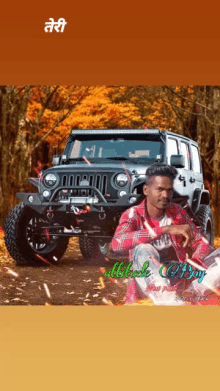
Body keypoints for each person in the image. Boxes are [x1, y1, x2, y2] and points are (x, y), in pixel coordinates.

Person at [111, 163, 220, 305]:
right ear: (146, 190)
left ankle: (193, 292)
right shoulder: (133, 214)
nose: (165, 195)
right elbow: (117, 243)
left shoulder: (177, 212)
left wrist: (194, 262)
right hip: (150, 282)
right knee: (143, 249)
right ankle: (170, 302)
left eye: (169, 190)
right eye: (160, 189)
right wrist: (165, 229)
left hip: (179, 278)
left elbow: (201, 242)